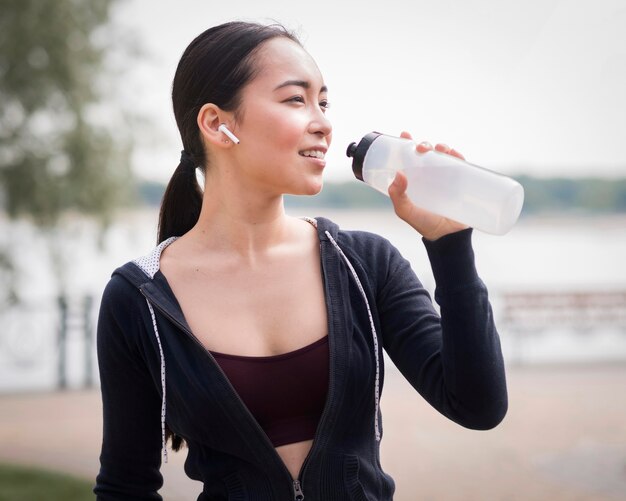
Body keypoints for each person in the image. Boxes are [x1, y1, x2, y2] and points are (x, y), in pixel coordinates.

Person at [94, 21, 507, 501]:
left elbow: (478, 406)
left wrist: (450, 245)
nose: (324, 123)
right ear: (216, 124)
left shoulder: (364, 264)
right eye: (295, 99)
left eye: (324, 102)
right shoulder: (139, 299)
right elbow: (125, 487)